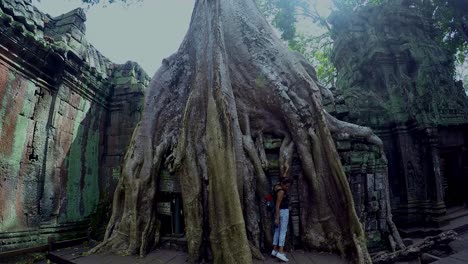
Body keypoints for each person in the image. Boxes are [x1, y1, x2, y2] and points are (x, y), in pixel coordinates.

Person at [271, 177, 291, 262]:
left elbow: (283, 177)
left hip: (279, 213)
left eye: (288, 186)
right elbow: (277, 205)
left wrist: (286, 169)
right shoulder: (281, 192)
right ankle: (280, 252)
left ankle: (274, 250)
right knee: (283, 231)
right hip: (283, 212)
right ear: (282, 184)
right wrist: (277, 218)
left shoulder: (276, 186)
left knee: (277, 231)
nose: (287, 188)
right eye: (286, 186)